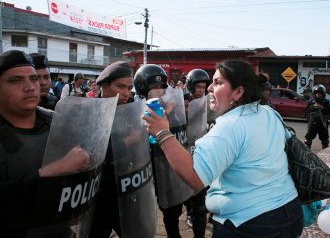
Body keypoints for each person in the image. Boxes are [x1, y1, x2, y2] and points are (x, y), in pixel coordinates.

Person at [143, 60, 304, 238]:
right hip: (291, 212)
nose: (210, 88)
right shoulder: (268, 112)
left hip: (250, 224)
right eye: (211, 82)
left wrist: (162, 133)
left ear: (239, 92)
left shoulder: (229, 127)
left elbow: (195, 177)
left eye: (218, 82)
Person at [0, 50, 90, 237]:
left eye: (33, 79)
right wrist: (54, 171)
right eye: (15, 80)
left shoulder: (56, 123)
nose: (30, 87)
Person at [134, 64, 191, 238]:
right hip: (146, 170)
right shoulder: (132, 106)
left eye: (161, 87)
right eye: (154, 87)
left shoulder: (171, 105)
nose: (159, 91)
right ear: (143, 88)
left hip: (167, 167)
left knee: (172, 212)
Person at [89, 61, 134, 238]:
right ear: (104, 85)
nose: (126, 93)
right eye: (120, 86)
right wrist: (128, 141)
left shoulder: (130, 113)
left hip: (126, 188)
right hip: (99, 195)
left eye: (129, 88)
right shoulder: (89, 112)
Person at [183, 68, 210, 237]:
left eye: (203, 87)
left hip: (202, 152)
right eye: (198, 86)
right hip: (184, 152)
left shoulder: (208, 102)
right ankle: (189, 211)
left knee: (200, 201)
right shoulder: (181, 101)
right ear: (190, 86)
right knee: (187, 193)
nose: (201, 90)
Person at [304, 84, 330, 149]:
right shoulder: (311, 102)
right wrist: (313, 107)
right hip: (313, 123)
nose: (318, 95)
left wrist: (322, 107)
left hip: (323, 123)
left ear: (323, 94)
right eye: (317, 93)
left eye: (320, 93)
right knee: (308, 139)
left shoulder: (326, 102)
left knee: (325, 140)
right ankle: (307, 153)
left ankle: (325, 153)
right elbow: (306, 111)